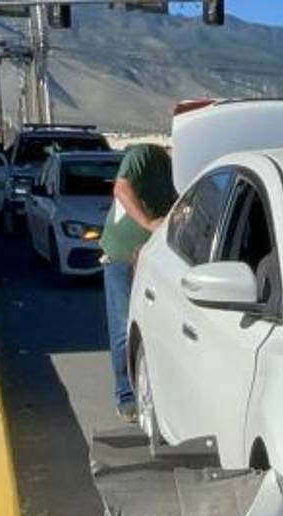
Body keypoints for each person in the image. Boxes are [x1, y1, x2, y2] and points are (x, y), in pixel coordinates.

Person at [98, 144, 176, 422]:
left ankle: (156, 392)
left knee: (158, 330)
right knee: (123, 328)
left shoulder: (182, 172)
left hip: (156, 259)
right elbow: (121, 188)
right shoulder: (144, 155)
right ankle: (125, 395)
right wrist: (149, 223)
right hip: (122, 256)